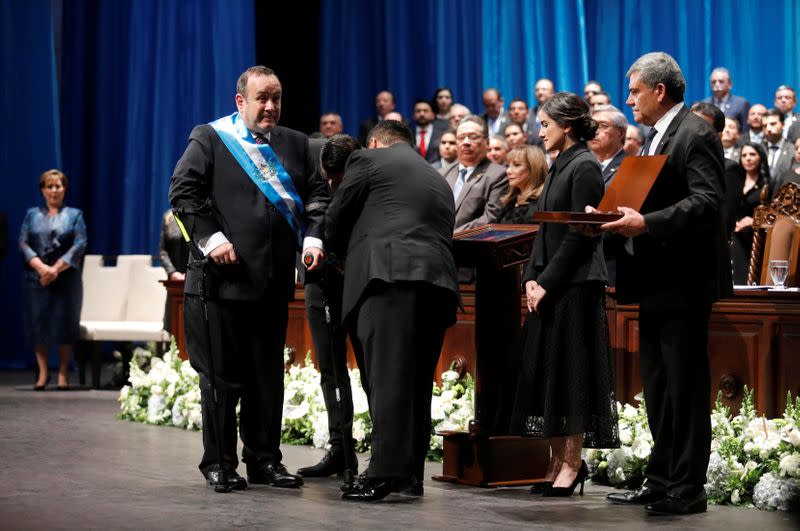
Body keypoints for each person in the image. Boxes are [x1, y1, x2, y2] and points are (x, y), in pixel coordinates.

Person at [168, 65, 329, 492]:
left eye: (276, 97)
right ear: (241, 102)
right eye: (262, 98)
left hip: (273, 284)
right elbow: (182, 192)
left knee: (266, 378)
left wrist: (313, 239)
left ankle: (264, 460)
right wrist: (211, 237)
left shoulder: (297, 143)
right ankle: (219, 463)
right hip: (221, 284)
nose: (271, 106)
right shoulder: (211, 137)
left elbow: (316, 196)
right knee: (223, 379)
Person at [599, 52, 730, 516]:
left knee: (684, 386)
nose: (629, 99)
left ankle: (688, 488)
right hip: (656, 281)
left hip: (683, 282)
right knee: (658, 386)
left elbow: (708, 203)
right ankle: (661, 478)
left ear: (659, 90)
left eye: (634, 91)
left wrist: (646, 223)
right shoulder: (656, 137)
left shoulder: (695, 132)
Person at [325, 120, 459, 501]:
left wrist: (336, 253)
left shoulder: (366, 160)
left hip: (387, 278)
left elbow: (336, 216)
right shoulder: (437, 177)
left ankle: (383, 473)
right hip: (436, 285)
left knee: (386, 379)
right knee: (416, 383)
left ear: (373, 142)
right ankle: (410, 475)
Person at [510, 92, 618, 498]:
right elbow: (545, 233)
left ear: (567, 126)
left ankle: (572, 466)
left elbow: (580, 235)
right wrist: (530, 279)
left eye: (545, 124)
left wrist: (547, 282)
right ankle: (556, 462)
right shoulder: (560, 165)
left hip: (574, 288)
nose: (539, 132)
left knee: (572, 379)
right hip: (550, 287)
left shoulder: (585, 165)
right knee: (551, 377)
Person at [298, 134, 361, 479]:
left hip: (361, 277)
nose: (331, 183)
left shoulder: (366, 176)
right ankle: (340, 448)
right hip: (319, 278)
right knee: (330, 368)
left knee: (370, 369)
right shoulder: (308, 167)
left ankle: (382, 455)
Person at [20, 169, 87, 391]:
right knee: (39, 325)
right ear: (42, 190)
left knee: (65, 325)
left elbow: (80, 243)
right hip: (37, 280)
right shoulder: (32, 215)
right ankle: (42, 373)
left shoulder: (75, 214)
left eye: (58, 186)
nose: (54, 190)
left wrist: (55, 269)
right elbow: (23, 243)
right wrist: (41, 268)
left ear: (64, 188)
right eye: (49, 186)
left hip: (66, 279)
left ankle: (63, 373)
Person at [440, 115, 507, 232]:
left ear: (487, 142)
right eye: (461, 137)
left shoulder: (498, 175)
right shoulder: (442, 173)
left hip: (471, 245)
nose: (466, 142)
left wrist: (452, 235)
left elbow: (491, 218)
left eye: (473, 137)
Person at [731, 143, 771, 284]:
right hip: (734, 234)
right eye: (744, 155)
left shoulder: (767, 184)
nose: (748, 158)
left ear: (760, 158)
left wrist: (753, 221)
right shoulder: (734, 180)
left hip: (756, 237)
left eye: (752, 154)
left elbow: (774, 215)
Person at [498, 145, 546, 224]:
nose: (508, 171)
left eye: (516, 165)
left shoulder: (542, 202)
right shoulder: (510, 200)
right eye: (508, 166)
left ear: (533, 168)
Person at [158, 209, 189, 330]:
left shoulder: (198, 214)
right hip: (174, 281)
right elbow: (162, 251)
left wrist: (191, 273)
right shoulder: (168, 217)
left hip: (194, 277)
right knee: (173, 325)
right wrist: (172, 272)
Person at [702, 67, 750, 132]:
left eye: (721, 81)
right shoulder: (703, 104)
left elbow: (745, 131)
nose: (717, 84)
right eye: (713, 82)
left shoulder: (741, 104)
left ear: (729, 84)